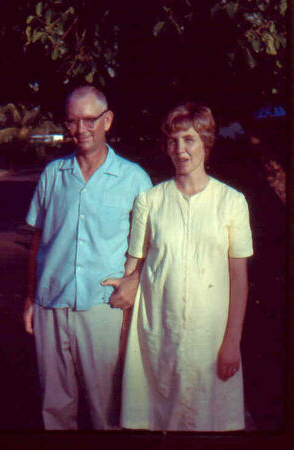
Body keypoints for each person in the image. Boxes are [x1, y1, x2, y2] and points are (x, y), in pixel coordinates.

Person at [104, 102, 253, 431]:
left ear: (206, 143)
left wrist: (232, 342)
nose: (180, 149)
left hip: (210, 338)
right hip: (159, 333)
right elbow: (135, 266)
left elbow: (239, 280)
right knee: (160, 422)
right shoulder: (150, 200)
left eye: (189, 140)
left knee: (209, 423)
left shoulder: (232, 202)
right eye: (173, 140)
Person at [23, 85, 152, 430]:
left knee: (106, 409)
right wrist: (30, 298)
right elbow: (38, 240)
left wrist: (132, 283)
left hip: (103, 308)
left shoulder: (133, 179)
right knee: (54, 408)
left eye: (90, 120)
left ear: (107, 120)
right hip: (51, 304)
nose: (81, 130)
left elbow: (150, 247)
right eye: (73, 121)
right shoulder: (53, 174)